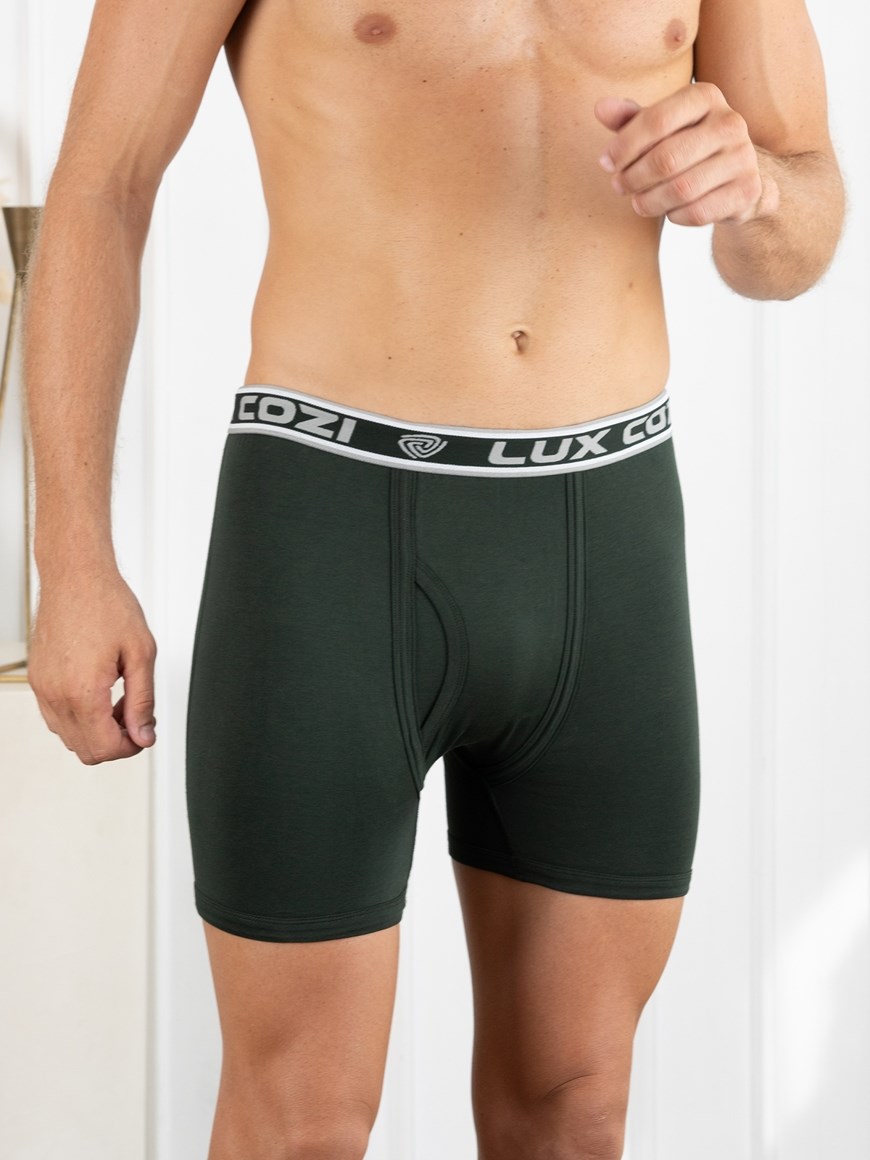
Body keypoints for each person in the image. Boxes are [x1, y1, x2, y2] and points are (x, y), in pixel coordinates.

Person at [23, 1, 844, 1157]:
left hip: (606, 541)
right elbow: (102, 183)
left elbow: (801, 222)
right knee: (299, 1120)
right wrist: (71, 560)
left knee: (575, 1108)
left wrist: (752, 187)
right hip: (329, 534)